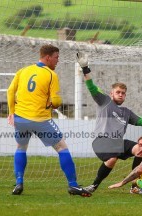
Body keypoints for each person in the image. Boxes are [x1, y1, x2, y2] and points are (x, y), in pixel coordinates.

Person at [7, 44, 91, 197]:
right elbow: (57, 101)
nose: (57, 61)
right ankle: (73, 185)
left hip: (20, 118)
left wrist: (11, 112)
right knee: (62, 148)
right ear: (48, 57)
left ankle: (19, 182)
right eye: (56, 57)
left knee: (21, 147)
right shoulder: (51, 74)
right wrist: (52, 103)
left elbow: (10, 91)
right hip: (41, 119)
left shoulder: (23, 71)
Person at [76, 52, 142, 193]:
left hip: (117, 142)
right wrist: (85, 68)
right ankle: (93, 186)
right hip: (101, 141)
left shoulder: (126, 112)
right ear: (111, 94)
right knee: (112, 158)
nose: (121, 94)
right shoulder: (105, 102)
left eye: (123, 93)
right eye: (118, 92)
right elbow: (91, 86)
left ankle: (135, 185)